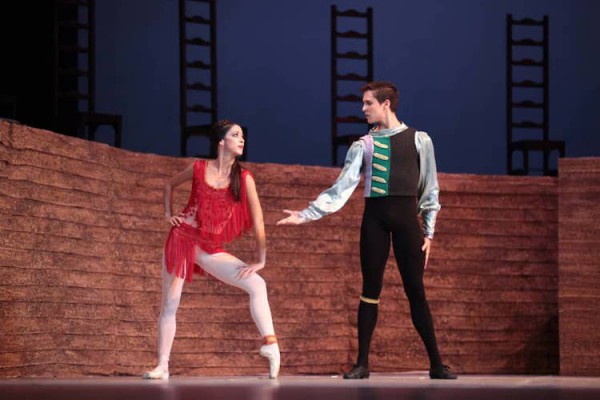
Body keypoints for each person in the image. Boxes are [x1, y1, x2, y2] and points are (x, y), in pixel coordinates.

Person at [276, 81, 456, 380]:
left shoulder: (419, 140)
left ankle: (437, 363)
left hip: (407, 224)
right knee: (369, 291)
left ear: (386, 104)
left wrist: (429, 233)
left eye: (368, 103)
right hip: (374, 222)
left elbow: (430, 190)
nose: (363, 109)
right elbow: (341, 188)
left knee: (416, 291)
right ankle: (362, 363)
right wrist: (307, 214)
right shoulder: (364, 145)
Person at [143, 119, 280, 380]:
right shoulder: (198, 168)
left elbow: (259, 220)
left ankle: (271, 344)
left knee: (257, 283)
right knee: (170, 304)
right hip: (181, 239)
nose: (242, 140)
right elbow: (170, 185)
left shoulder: (244, 177)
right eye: (235, 135)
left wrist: (261, 259)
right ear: (221, 141)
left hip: (208, 247)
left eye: (243, 136)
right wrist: (168, 214)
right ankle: (162, 365)